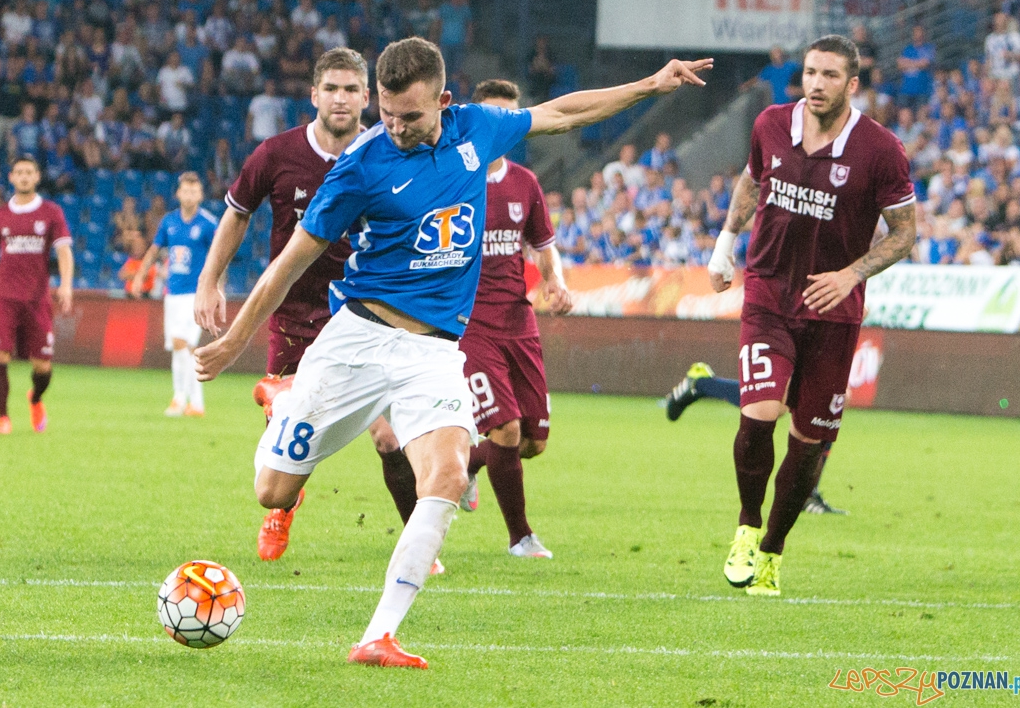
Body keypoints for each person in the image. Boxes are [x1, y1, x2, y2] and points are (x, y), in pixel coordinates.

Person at [194, 37, 710, 667]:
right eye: (385, 112)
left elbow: (562, 113)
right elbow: (286, 265)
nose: (395, 127)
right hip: (357, 340)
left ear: (442, 100)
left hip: (435, 353)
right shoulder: (359, 166)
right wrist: (232, 344)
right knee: (273, 492)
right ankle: (282, 405)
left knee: (448, 473)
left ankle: (377, 635)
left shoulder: (476, 129)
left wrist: (649, 86)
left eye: (409, 115)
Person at [197, 48, 430, 564]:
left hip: (367, 314)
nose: (341, 99)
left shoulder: (390, 151)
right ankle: (279, 513)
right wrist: (209, 279)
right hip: (294, 312)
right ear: (314, 95)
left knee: (390, 437)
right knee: (288, 436)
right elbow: (237, 215)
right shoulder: (277, 154)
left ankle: (419, 544)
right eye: (332, 89)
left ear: (368, 97)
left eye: (351, 89)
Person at [708, 35, 914, 598]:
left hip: (834, 312)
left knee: (809, 443)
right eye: (810, 72)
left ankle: (773, 551)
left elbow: (905, 233)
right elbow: (752, 180)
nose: (816, 84)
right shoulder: (771, 124)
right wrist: (726, 242)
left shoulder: (881, 149)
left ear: (852, 84)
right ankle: (748, 527)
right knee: (759, 414)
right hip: (770, 297)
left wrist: (852, 275)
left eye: (829, 75)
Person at [460, 79, 574, 559]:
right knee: (504, 431)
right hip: (469, 324)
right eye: (493, 116)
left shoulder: (525, 182)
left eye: (510, 117)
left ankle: (465, 464)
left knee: (532, 442)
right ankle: (520, 536)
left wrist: (555, 282)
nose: (501, 127)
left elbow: (543, 245)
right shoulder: (454, 175)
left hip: (519, 321)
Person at [0, 156, 74, 434]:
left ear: (37, 177)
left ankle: (35, 398)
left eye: (30, 172)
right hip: (4, 297)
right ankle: (3, 418)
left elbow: (63, 251)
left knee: (42, 366)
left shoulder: (51, 212)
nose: (24, 177)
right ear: (10, 177)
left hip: (37, 299)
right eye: (19, 172)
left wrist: (66, 285)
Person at [663, 363, 846, 515]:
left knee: (826, 398)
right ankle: (702, 384)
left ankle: (808, 492)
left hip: (831, 328)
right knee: (783, 399)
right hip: (801, 325)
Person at [129, 172, 217, 417]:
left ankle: (180, 399)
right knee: (182, 348)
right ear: (178, 193)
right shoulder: (169, 222)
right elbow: (155, 250)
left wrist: (216, 288)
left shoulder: (209, 223)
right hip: (173, 293)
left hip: (196, 294)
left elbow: (221, 256)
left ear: (200, 194)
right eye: (185, 190)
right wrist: (139, 276)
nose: (189, 195)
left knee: (183, 343)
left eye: (194, 190)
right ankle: (195, 404)